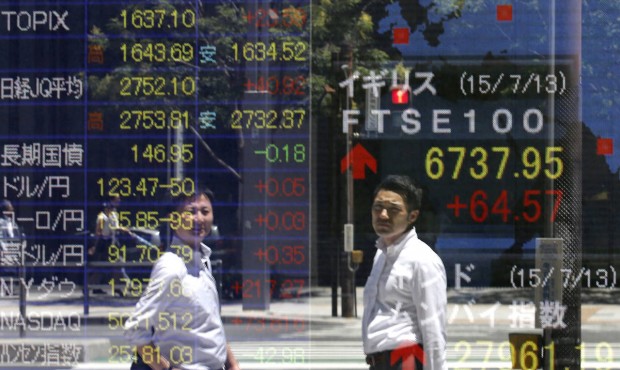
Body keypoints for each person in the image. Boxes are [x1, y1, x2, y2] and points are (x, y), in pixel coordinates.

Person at [124, 183, 240, 370]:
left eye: (204, 211)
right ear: (173, 219)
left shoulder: (204, 261)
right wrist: (164, 368)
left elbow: (211, 323)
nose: (199, 218)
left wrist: (232, 364)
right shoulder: (171, 266)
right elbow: (136, 328)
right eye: (191, 211)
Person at [362, 175, 447, 370]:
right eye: (378, 207)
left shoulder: (422, 260)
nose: (383, 215)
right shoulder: (381, 255)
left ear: (412, 216)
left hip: (407, 360)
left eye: (393, 210)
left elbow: (433, 328)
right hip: (380, 363)